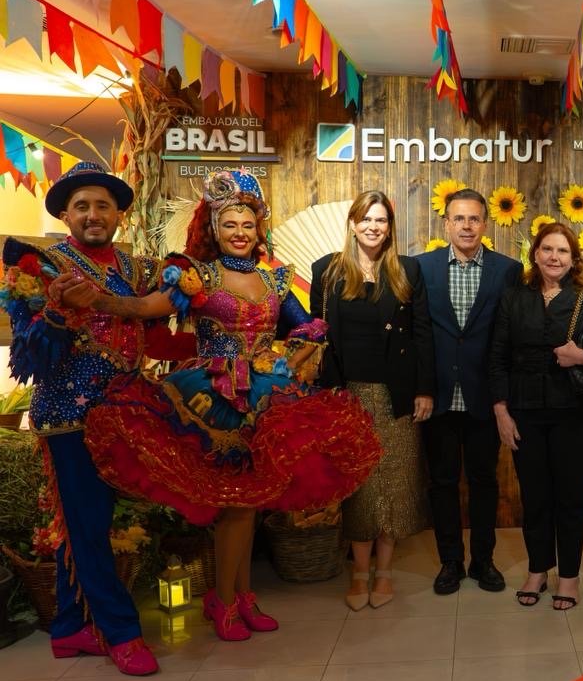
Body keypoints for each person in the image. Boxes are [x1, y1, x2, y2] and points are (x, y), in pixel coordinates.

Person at [67, 170, 381, 642]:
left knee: (250, 504)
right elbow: (150, 308)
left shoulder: (274, 278)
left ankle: (241, 596)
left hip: (266, 398)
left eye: (247, 225)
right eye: (230, 224)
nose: (239, 233)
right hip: (210, 399)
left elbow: (307, 326)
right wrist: (101, 302)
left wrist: (294, 355)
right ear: (214, 229)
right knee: (235, 505)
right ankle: (225, 601)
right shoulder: (199, 275)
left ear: (258, 230)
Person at [0, 162, 175, 675]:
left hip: (127, 411)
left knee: (85, 524)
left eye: (103, 205)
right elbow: (27, 358)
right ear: (65, 215)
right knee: (88, 525)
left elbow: (161, 326)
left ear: (120, 214)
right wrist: (57, 315)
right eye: (82, 206)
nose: (93, 215)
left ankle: (70, 627)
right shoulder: (40, 266)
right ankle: (121, 632)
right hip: (68, 417)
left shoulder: (136, 268)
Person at [489, 222, 583, 610]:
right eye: (547, 249)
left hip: (577, 412)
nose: (554, 257)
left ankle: (569, 577)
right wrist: (501, 411)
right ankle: (537, 570)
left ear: (574, 258)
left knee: (570, 498)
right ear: (535, 254)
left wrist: (582, 355)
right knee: (534, 497)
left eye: (563, 251)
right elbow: (497, 358)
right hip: (525, 412)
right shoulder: (514, 298)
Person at [312, 190, 434, 610]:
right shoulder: (327, 270)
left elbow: (422, 334)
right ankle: (359, 572)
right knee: (359, 485)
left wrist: (424, 389)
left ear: (390, 227)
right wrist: (327, 395)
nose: (373, 227)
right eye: (366, 219)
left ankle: (384, 572)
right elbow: (319, 338)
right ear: (352, 223)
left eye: (381, 220)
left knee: (395, 484)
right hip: (349, 394)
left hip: (397, 393)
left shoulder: (407, 270)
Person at [417, 188, 520, 595]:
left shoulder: (507, 270)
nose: (466, 226)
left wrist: (503, 398)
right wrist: (422, 388)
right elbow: (419, 334)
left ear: (485, 224)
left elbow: (508, 340)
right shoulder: (421, 267)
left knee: (484, 482)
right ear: (446, 224)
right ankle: (450, 562)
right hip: (437, 397)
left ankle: (483, 561)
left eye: (474, 219)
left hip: (484, 398)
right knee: (442, 483)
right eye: (458, 218)